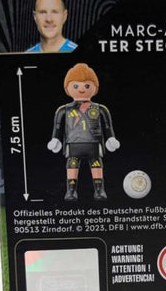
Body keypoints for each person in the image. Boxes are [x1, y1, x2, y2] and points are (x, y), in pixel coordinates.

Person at [47, 63, 120, 200]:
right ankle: (71, 191)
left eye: (86, 86)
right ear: (68, 88)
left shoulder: (100, 109)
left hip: (94, 143)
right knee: (72, 164)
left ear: (95, 87)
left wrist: (111, 138)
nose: (81, 89)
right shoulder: (63, 110)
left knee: (96, 164)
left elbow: (107, 126)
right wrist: (55, 139)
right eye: (76, 86)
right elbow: (58, 127)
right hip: (73, 144)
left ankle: (99, 190)